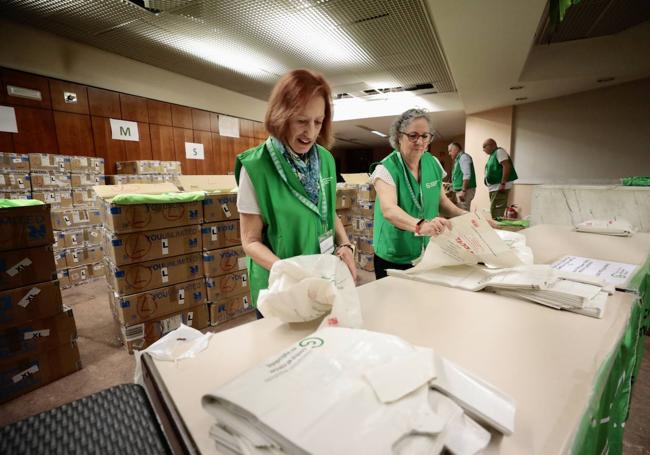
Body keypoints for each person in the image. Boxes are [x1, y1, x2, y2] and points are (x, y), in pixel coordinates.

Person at [235, 69, 357, 316]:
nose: (310, 133)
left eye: (318, 122)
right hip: (280, 287)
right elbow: (250, 241)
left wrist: (344, 244)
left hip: (322, 280)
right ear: (281, 116)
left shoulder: (325, 160)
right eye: (301, 121)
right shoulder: (256, 167)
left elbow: (327, 209)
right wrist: (291, 272)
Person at [370, 109, 468, 279]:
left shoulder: (433, 163)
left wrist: (468, 216)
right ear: (399, 137)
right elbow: (389, 210)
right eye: (413, 135)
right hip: (395, 254)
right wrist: (420, 226)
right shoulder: (385, 169)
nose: (420, 141)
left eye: (425, 136)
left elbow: (442, 202)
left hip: (426, 250)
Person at [482, 138, 518, 219]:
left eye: (484, 146)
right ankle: (497, 227)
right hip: (494, 187)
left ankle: (498, 229)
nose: (483, 149)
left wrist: (503, 183)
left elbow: (506, 166)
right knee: (494, 209)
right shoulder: (493, 154)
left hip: (499, 186)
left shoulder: (499, 152)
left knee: (497, 210)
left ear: (492, 145)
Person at [447, 142, 476, 211]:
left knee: (463, 212)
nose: (449, 153)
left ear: (456, 149)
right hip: (460, 190)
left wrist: (463, 191)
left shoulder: (463, 157)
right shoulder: (458, 159)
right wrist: (452, 185)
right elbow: (459, 176)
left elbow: (467, 174)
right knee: (460, 212)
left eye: (450, 151)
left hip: (465, 191)